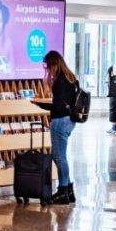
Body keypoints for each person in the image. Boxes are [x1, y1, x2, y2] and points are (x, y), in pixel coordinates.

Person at [34, 50, 78, 205]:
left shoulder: (60, 81)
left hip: (60, 121)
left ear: (54, 65)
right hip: (70, 120)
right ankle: (69, 190)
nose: (47, 71)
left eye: (48, 67)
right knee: (62, 157)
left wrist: (40, 104)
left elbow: (58, 106)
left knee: (59, 157)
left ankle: (62, 191)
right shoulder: (71, 78)